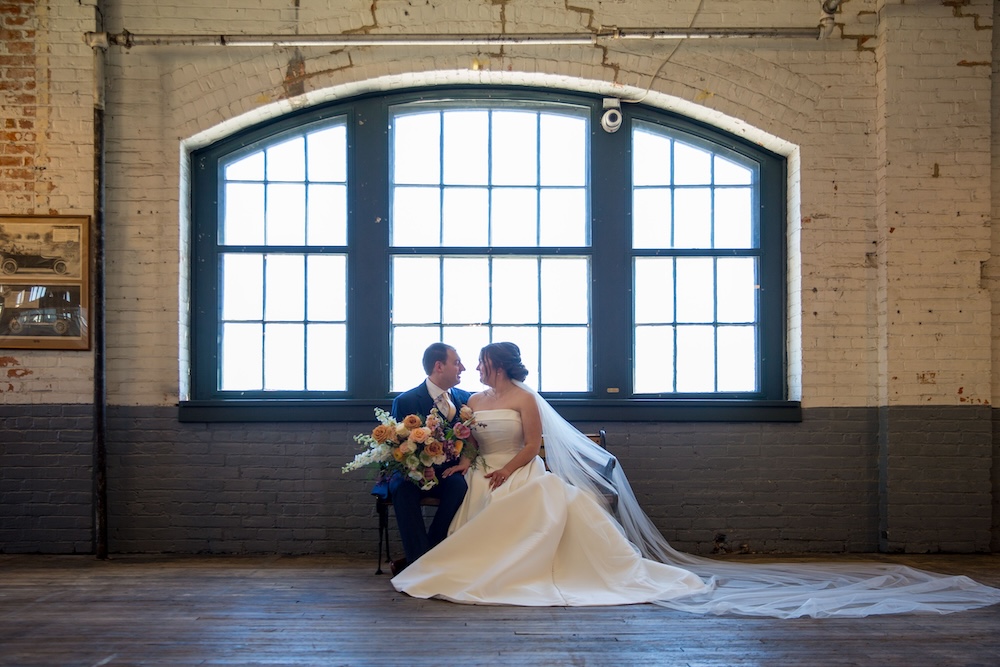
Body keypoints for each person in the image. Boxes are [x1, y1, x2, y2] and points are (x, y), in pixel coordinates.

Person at [392, 342, 1000, 617]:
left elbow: (535, 445)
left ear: (500, 364)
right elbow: (465, 435)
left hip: (516, 475)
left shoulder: (525, 397)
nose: (475, 367)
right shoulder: (472, 398)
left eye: (483, 361)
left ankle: (532, 571)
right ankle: (462, 567)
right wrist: (462, 457)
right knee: (469, 512)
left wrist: (505, 472)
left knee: (542, 511)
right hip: (478, 472)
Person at [380, 342, 472, 575]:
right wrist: (419, 470)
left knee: (459, 485)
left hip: (447, 472)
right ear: (439, 366)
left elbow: (472, 440)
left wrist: (462, 462)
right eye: (457, 362)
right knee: (401, 488)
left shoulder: (465, 399)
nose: (462, 367)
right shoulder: (406, 401)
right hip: (412, 473)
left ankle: (423, 557)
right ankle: (421, 562)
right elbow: (396, 446)